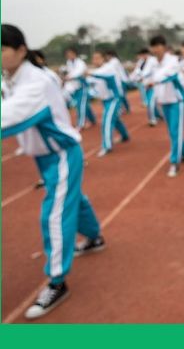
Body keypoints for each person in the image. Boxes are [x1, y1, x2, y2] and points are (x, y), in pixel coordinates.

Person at [1, 24, 105, 320]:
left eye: (2, 48)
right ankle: (95, 237)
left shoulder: (35, 81)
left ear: (21, 50)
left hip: (60, 153)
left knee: (55, 213)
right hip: (46, 154)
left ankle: (57, 280)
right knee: (73, 199)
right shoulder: (14, 77)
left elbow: (10, 115)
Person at [149, 35, 184, 177]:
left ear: (164, 47)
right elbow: (142, 74)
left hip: (176, 100)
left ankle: (174, 163)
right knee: (173, 131)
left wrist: (151, 81)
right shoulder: (152, 62)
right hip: (163, 101)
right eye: (153, 47)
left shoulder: (174, 60)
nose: (155, 49)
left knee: (175, 131)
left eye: (158, 46)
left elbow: (166, 76)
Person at [88, 51, 130, 157]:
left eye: (98, 58)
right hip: (105, 100)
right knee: (115, 119)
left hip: (114, 98)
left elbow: (103, 76)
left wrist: (90, 73)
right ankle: (125, 135)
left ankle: (106, 146)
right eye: (94, 58)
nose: (96, 60)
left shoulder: (108, 68)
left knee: (107, 120)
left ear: (103, 59)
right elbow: (92, 86)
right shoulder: (95, 72)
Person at [64, 47, 96, 130]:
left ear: (75, 54)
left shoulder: (80, 63)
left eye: (70, 53)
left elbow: (78, 72)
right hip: (75, 87)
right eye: (67, 54)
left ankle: (80, 124)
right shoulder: (69, 62)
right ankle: (93, 120)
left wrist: (69, 77)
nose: (69, 55)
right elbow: (70, 72)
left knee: (80, 105)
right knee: (85, 105)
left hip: (83, 86)